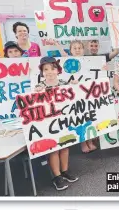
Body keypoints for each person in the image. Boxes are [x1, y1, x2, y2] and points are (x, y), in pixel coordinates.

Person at [34, 57, 78, 191]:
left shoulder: (65, 83)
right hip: (49, 123)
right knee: (54, 149)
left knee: (65, 146)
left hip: (64, 120)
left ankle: (64, 171)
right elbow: (35, 104)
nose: (50, 72)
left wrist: (75, 85)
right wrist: (36, 94)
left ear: (58, 70)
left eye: (52, 68)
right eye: (46, 69)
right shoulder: (39, 87)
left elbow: (76, 96)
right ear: (42, 72)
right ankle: (56, 176)